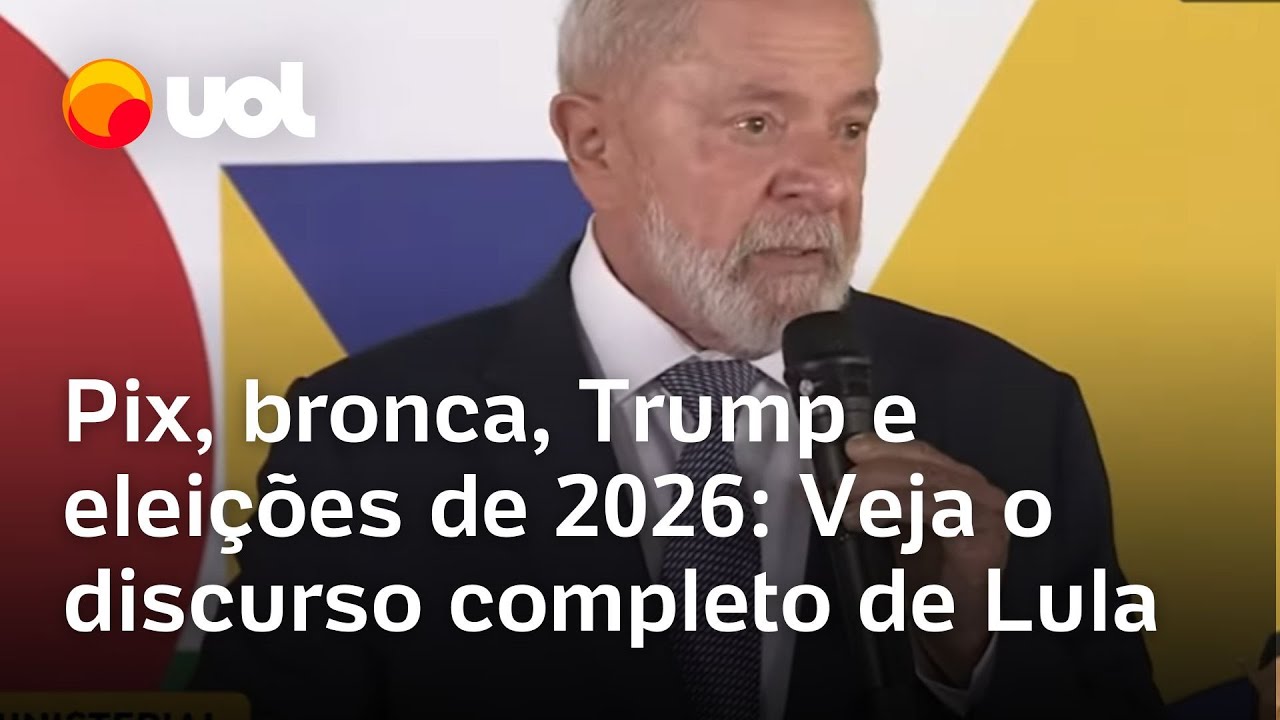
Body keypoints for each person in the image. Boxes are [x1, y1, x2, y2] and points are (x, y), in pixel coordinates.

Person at [190, 0, 1168, 717]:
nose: (826, 182)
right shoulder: (363, 447)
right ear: (594, 144)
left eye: (849, 126)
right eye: (755, 124)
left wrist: (970, 654)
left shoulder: (1013, 416)